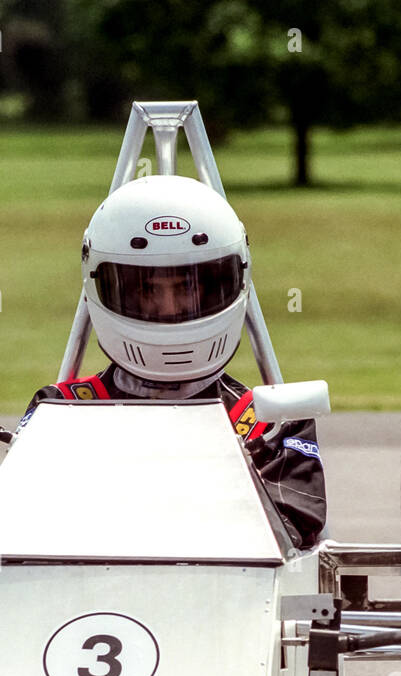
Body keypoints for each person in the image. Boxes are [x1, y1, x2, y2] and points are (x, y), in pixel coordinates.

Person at [19, 174, 326, 549]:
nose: (168, 308)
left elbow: (294, 532)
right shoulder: (60, 408)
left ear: (224, 283)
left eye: (187, 288)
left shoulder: (270, 417)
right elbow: (20, 522)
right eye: (148, 290)